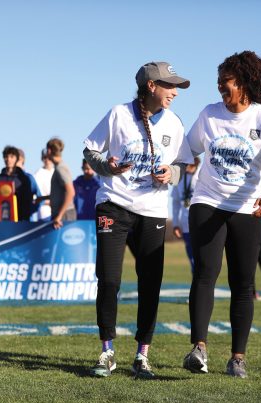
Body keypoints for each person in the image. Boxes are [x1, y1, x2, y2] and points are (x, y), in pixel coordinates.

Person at [182, 51, 261, 378]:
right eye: (219, 86)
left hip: (247, 209)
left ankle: (237, 358)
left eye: (226, 86)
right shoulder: (209, 115)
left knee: (243, 284)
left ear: (245, 85)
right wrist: (182, 163)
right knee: (205, 273)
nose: (221, 93)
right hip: (208, 202)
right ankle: (198, 348)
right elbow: (188, 150)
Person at [83, 61, 192, 379]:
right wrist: (108, 166)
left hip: (153, 213)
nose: (175, 92)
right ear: (151, 86)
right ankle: (107, 352)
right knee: (110, 280)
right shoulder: (118, 114)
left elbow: (184, 164)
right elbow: (90, 151)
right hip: (113, 206)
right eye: (170, 85)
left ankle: (142, 355)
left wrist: (170, 173)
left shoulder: (174, 123)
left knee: (150, 285)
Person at [0, 146, 34, 222]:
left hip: (19, 223)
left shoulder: (23, 179)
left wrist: (25, 222)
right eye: (6, 157)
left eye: (12, 157)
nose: (8, 159)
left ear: (16, 159)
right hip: (0, 222)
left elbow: (27, 203)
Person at [171, 157, 200, 275]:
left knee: (203, 257)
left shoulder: (202, 176)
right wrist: (175, 224)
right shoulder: (179, 177)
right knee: (191, 257)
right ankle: (196, 286)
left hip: (201, 222)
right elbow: (175, 203)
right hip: (186, 223)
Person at [46, 137, 76, 228]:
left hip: (64, 215)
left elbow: (71, 192)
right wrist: (43, 198)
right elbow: (61, 192)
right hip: (63, 214)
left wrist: (59, 216)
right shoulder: (59, 167)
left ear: (49, 151)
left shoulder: (60, 168)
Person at [16, 148, 43, 222]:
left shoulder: (29, 178)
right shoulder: (8, 179)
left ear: (22, 159)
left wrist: (30, 210)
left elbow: (40, 198)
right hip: (11, 222)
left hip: (26, 222)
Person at [33, 148, 54, 221]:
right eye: (45, 157)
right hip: (44, 211)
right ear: (42, 159)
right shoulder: (38, 174)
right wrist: (48, 202)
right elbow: (35, 196)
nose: (47, 160)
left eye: (49, 157)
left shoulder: (56, 172)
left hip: (57, 211)